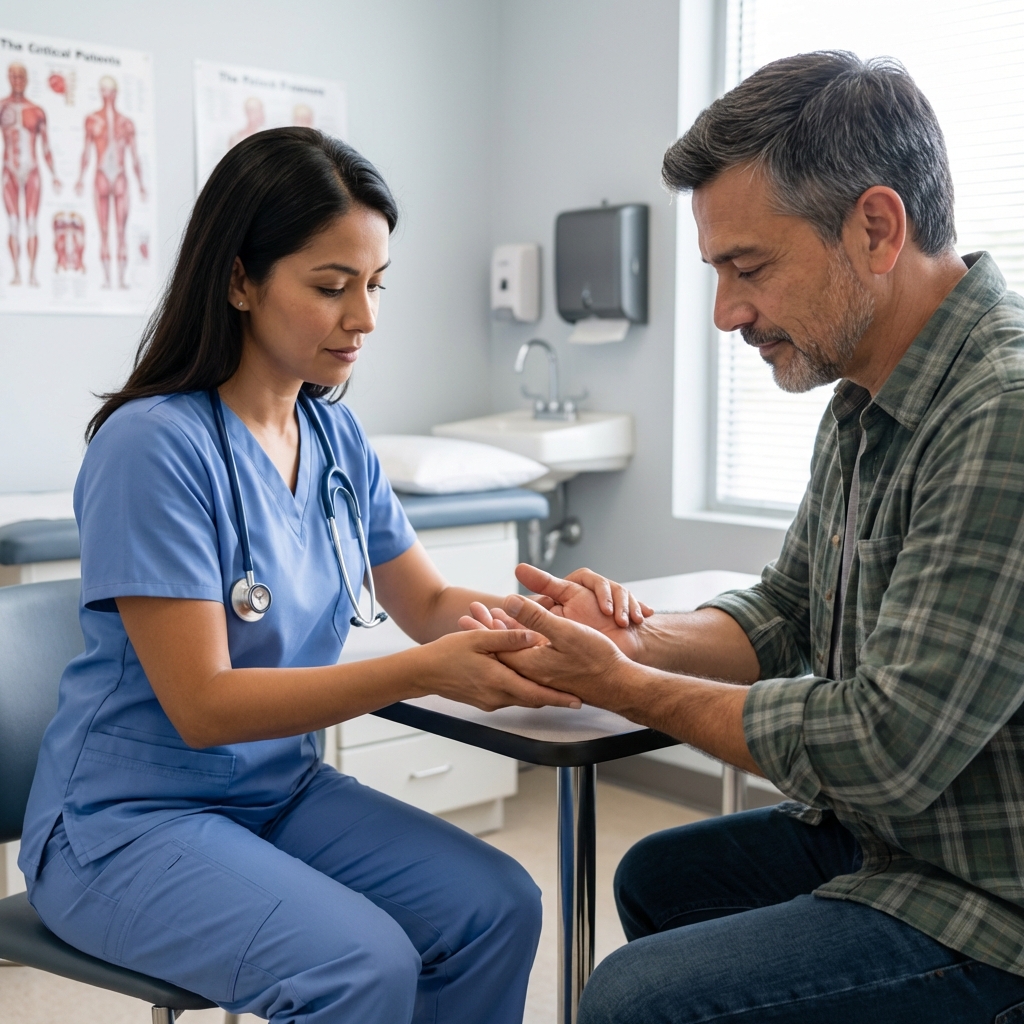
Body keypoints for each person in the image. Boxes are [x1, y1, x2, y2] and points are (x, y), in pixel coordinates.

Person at [19, 127, 644, 1024]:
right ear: (240, 280)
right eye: (331, 286)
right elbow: (202, 706)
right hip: (123, 825)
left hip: (277, 794)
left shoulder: (337, 439)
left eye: (376, 284)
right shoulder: (152, 448)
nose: (365, 318)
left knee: (497, 907)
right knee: (359, 966)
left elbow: (426, 603)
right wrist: (424, 670)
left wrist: (543, 618)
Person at [464, 52, 1024, 1022]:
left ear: (876, 228)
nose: (725, 313)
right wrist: (624, 639)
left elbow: (887, 745)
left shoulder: (1001, 411)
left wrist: (630, 688)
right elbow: (787, 609)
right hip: (895, 841)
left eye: (747, 267)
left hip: (986, 902)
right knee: (659, 879)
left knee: (632, 1000)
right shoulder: (863, 393)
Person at [75, 75, 146, 289]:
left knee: (121, 232)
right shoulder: (92, 120)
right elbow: (86, 151)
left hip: (121, 176)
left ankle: (121, 280)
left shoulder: (126, 123)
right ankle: (107, 279)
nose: (107, 94)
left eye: (110, 90)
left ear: (116, 93)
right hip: (101, 175)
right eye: (103, 90)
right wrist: (79, 178)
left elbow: (134, 156)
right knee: (105, 232)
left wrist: (141, 184)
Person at [1, 61, 61, 286]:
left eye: (20, 76)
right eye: (13, 75)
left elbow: (45, 146)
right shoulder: (2, 107)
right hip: (9, 169)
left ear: (26, 79)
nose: (17, 80)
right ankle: (17, 272)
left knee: (32, 222)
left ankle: (32, 273)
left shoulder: (36, 111)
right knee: (14, 223)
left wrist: (54, 173)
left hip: (32, 170)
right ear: (8, 77)